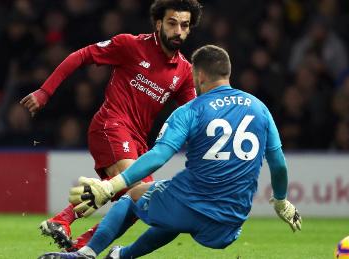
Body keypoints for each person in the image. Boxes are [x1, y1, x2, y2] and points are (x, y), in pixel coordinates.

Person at [38, 45, 302, 259]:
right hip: (229, 225)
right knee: (171, 209)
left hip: (191, 204)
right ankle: (122, 256)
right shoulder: (260, 108)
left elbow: (159, 156)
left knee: (135, 196)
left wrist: (111, 187)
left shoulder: (191, 110)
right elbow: (278, 165)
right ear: (227, 73)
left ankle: (85, 254)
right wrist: (280, 202)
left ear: (198, 76)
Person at [21, 0, 202, 251]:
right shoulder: (131, 45)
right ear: (159, 23)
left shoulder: (184, 71)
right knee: (140, 193)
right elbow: (81, 55)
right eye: (172, 24)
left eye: (184, 25)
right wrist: (45, 91)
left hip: (138, 142)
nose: (178, 31)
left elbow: (194, 114)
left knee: (141, 200)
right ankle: (83, 244)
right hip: (111, 125)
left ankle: (68, 230)